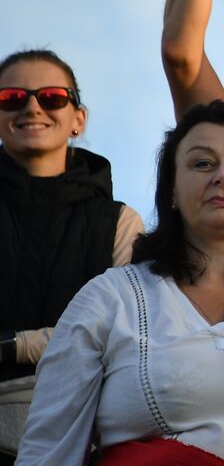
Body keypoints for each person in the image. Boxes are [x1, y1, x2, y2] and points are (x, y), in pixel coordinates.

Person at [17, 101, 224, 466]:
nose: (223, 176)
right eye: (202, 163)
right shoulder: (108, 298)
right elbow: (47, 453)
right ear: (171, 190)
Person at [0, 51, 144, 464]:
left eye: (51, 97)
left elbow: (122, 333)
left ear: (78, 118)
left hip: (81, 434)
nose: (32, 107)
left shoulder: (118, 223)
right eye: (12, 97)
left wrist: (14, 346)